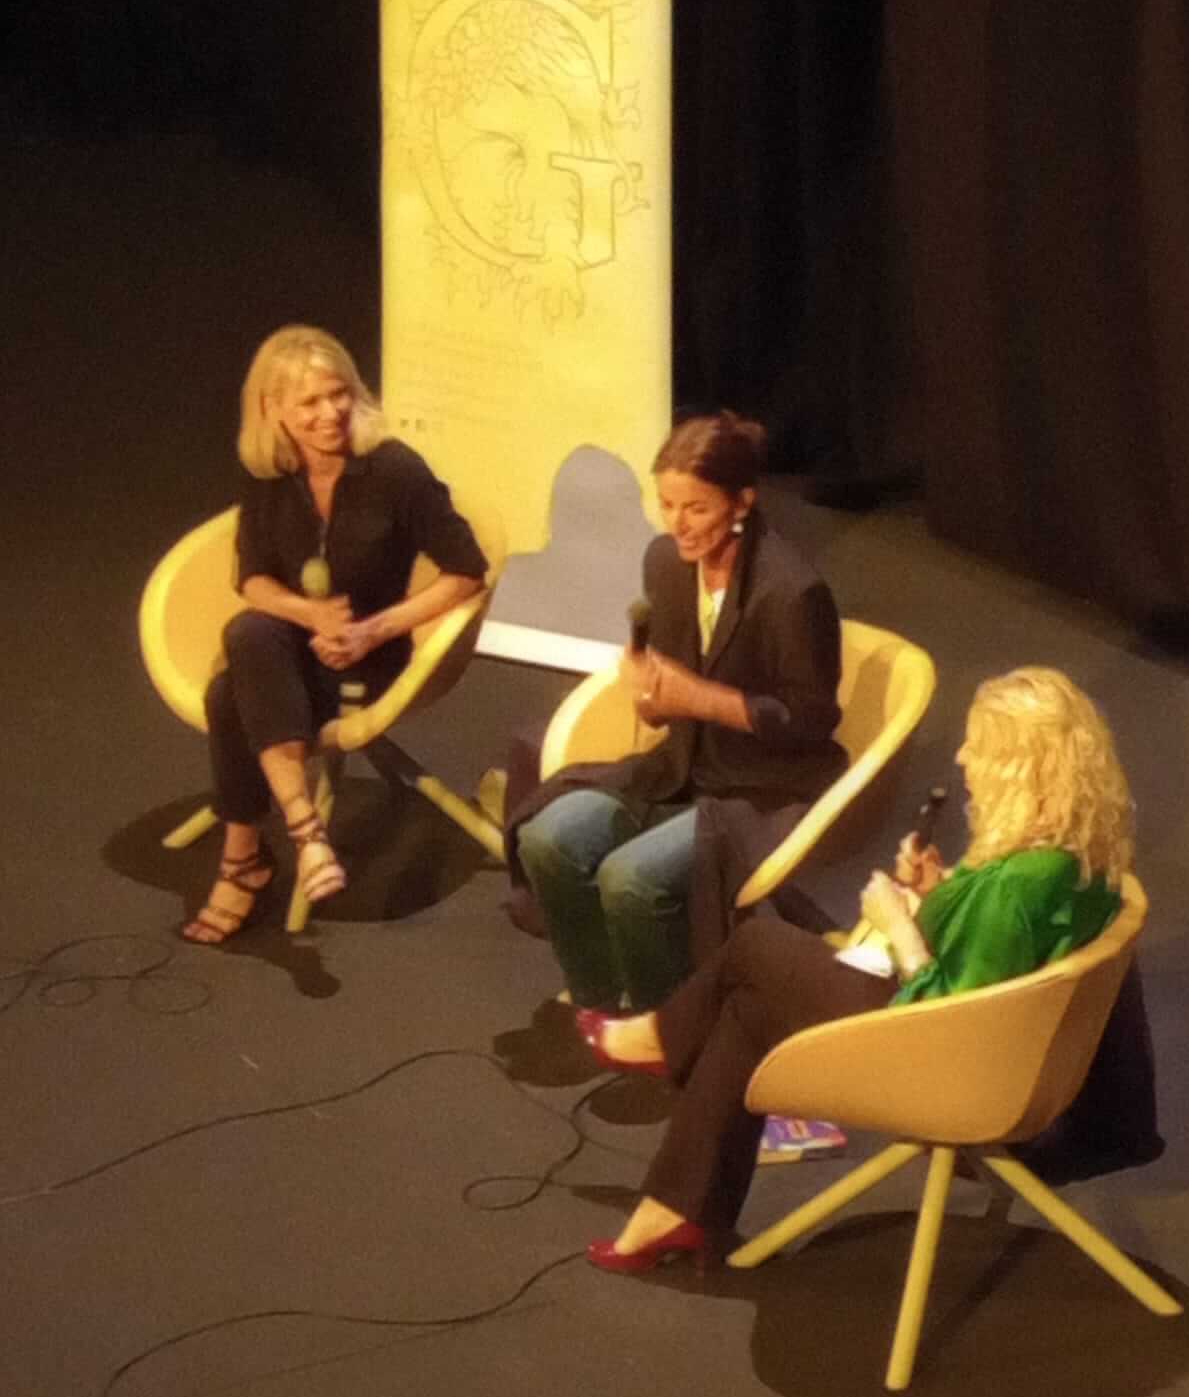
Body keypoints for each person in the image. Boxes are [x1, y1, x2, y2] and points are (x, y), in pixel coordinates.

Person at [577, 667, 1138, 1272]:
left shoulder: (1015, 888)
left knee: (758, 945)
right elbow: (1000, 957)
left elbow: (943, 1010)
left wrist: (898, 922)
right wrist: (939, 893)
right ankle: (677, 1210)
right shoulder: (1073, 858)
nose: (961, 757)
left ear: (1020, 767)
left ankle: (662, 1039)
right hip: (992, 1041)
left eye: (978, 746)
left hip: (951, 1061)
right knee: (747, 1010)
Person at [512, 410, 845, 1012]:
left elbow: (811, 723)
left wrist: (701, 699)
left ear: (741, 502)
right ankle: (598, 999)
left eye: (696, 508)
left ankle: (667, 1021)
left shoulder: (792, 592)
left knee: (630, 879)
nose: (677, 525)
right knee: (548, 839)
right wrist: (650, 694)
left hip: (765, 789)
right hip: (683, 765)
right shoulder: (665, 563)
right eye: (667, 505)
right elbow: (665, 699)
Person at [182, 326, 487, 945]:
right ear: (273, 410)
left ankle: (245, 861)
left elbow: (467, 570)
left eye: (338, 393)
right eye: (310, 403)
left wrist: (373, 630)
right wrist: (310, 615)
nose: (330, 414)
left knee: (230, 691)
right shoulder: (269, 475)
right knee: (250, 634)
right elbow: (253, 579)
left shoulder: (394, 470)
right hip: (287, 652)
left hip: (369, 659)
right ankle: (304, 831)